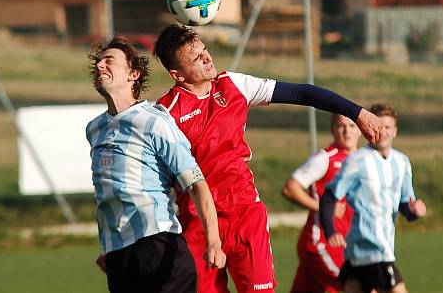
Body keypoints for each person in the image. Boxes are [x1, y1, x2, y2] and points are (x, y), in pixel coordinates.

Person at [153, 23, 382, 293]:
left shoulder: (233, 85)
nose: (207, 58)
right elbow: (156, 180)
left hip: (245, 213)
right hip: (197, 222)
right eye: (196, 58)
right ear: (176, 75)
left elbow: (301, 93)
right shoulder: (165, 113)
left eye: (205, 50)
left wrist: (357, 113)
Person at [85, 37, 226, 293]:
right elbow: (108, 191)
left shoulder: (154, 121)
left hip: (158, 244)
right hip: (118, 254)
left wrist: (213, 242)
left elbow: (196, 183)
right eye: (98, 62)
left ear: (133, 74)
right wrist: (110, 246)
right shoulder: (95, 129)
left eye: (109, 61)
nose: (99, 66)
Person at [319, 103, 427, 293]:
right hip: (373, 249)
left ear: (395, 131)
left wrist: (415, 211)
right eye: (378, 126)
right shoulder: (357, 160)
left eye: (387, 127)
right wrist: (330, 230)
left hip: (364, 253)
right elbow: (329, 195)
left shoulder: (402, 162)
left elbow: (404, 205)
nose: (382, 132)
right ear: (368, 128)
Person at [282, 114, 361, 293]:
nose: (347, 131)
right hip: (322, 243)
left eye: (352, 125)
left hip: (345, 243)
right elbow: (290, 188)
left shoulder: (364, 160)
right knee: (359, 286)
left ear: (360, 130)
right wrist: (325, 207)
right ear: (333, 130)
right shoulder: (325, 158)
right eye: (341, 126)